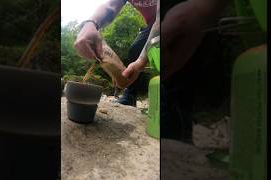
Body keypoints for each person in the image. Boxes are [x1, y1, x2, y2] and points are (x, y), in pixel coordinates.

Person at [74, 0, 225, 143]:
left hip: (193, 14)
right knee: (136, 48)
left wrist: (141, 61)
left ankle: (178, 124)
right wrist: (91, 23)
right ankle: (130, 94)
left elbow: (167, 17)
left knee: (178, 71)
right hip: (154, 24)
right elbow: (110, 6)